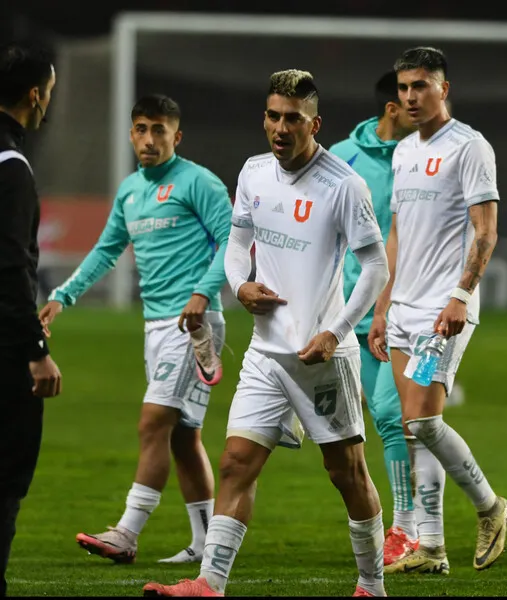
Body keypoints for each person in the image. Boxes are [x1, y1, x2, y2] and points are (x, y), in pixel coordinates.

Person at [143, 69, 390, 598]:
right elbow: (237, 245)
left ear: (314, 124)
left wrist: (336, 331)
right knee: (236, 462)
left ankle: (372, 586)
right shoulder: (254, 173)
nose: (281, 128)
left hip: (322, 356)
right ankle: (210, 584)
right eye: (274, 117)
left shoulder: (343, 185)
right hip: (265, 352)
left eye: (293, 119)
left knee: (346, 472)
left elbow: (376, 267)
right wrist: (240, 285)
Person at [39, 94, 232, 564]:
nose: (149, 139)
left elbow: (234, 241)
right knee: (182, 437)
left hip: (194, 324)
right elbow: (107, 249)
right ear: (131, 134)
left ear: (176, 136)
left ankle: (126, 533)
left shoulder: (199, 182)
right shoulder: (129, 190)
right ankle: (206, 544)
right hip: (155, 326)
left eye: (159, 130)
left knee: (153, 423)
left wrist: (202, 293)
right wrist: (63, 295)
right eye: (141, 129)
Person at [369, 46, 507, 575]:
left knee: (424, 420)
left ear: (443, 89)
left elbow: (486, 231)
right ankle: (431, 547)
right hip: (403, 307)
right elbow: (396, 234)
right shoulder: (404, 151)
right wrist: (382, 304)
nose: (410, 96)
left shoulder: (469, 147)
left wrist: (461, 295)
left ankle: (490, 507)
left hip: (442, 307)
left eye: (421, 86)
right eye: (404, 87)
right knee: (413, 429)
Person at [329, 71, 420, 565]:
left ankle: (407, 527)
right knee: (390, 422)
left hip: (410, 309)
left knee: (390, 413)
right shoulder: (342, 156)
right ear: (392, 108)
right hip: (353, 312)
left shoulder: (425, 157)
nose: (420, 109)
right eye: (409, 100)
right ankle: (420, 527)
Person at [0, 41, 62, 598]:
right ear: (36, 95)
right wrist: (36, 349)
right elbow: (10, 266)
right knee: (6, 476)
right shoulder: (12, 167)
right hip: (4, 352)